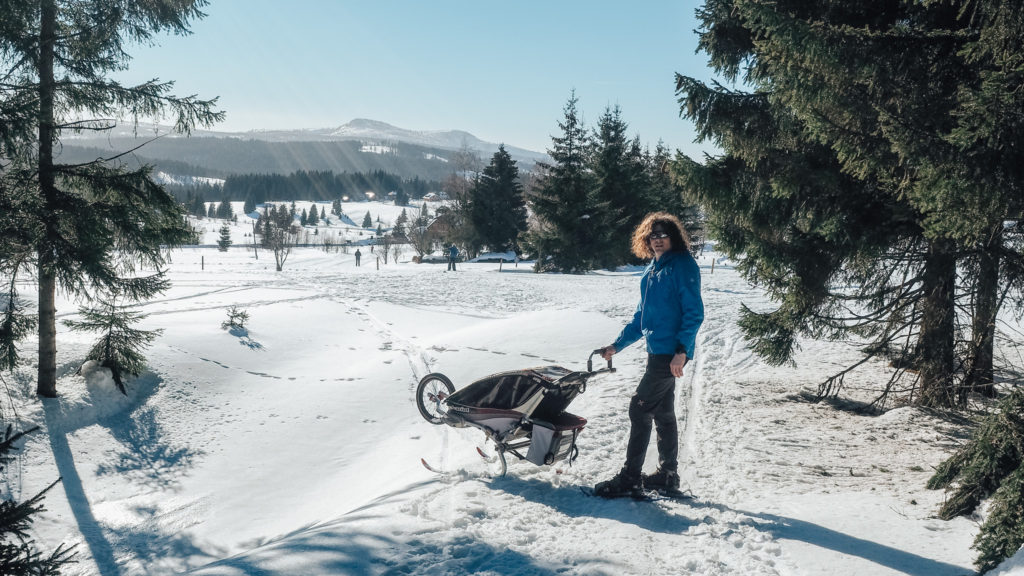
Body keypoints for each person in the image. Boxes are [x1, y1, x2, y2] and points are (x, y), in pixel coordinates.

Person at [594, 212, 704, 498]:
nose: (657, 240)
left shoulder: (682, 265)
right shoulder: (653, 268)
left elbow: (694, 313)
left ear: (674, 237)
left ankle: (630, 477)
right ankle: (668, 475)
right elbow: (641, 316)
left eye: (663, 235)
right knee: (664, 413)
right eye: (652, 235)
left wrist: (682, 351)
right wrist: (617, 345)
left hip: (671, 352)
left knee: (639, 408)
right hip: (657, 351)